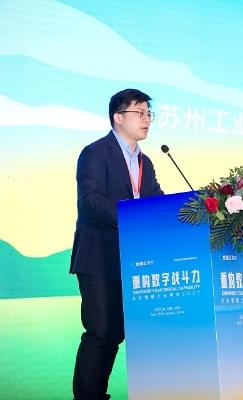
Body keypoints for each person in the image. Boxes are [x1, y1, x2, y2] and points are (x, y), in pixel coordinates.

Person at [69, 89, 163, 400]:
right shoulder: (96, 153)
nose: (147, 119)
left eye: (149, 114)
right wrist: (131, 217)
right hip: (99, 255)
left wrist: (190, 212)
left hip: (133, 259)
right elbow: (91, 199)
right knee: (101, 331)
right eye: (140, 113)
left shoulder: (146, 162)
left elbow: (156, 201)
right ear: (118, 117)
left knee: (116, 332)